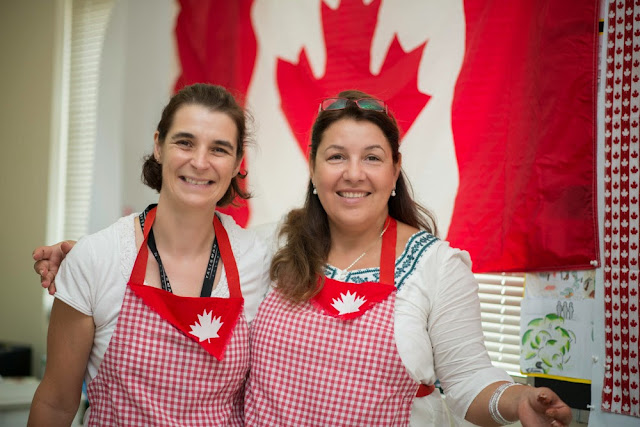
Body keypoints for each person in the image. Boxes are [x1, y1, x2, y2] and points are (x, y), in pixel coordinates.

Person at [34, 91, 572, 426]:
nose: (353, 173)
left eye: (372, 158)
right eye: (335, 156)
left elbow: (470, 378)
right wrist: (86, 255)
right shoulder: (274, 249)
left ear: (394, 169)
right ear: (313, 170)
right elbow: (185, 243)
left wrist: (513, 401)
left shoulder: (437, 267)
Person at [28, 83, 270, 426]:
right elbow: (55, 404)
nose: (200, 162)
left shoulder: (258, 259)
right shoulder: (99, 258)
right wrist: (79, 263)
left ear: (236, 164)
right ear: (158, 146)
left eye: (219, 149)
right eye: (185, 142)